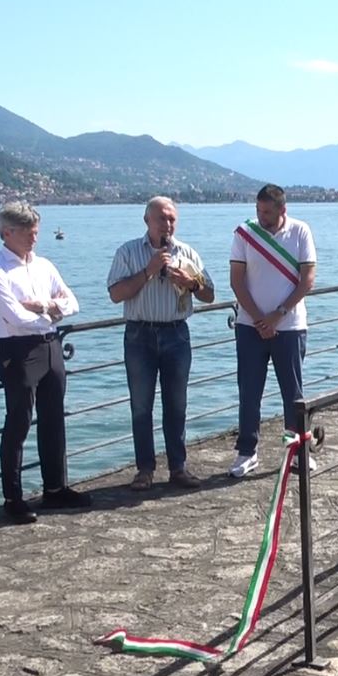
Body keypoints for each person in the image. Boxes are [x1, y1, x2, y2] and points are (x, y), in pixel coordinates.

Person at [0, 201, 91, 524]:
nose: (34, 238)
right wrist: (50, 309)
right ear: (7, 232)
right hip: (18, 350)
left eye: (36, 231)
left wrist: (41, 305)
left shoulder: (44, 265)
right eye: (28, 232)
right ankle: (12, 497)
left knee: (54, 417)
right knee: (18, 421)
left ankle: (55, 488)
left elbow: (72, 303)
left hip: (51, 346)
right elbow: (14, 316)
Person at [108, 196, 215, 491]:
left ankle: (178, 468)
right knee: (141, 406)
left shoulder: (188, 252)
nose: (167, 224)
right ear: (147, 221)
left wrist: (192, 283)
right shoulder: (128, 252)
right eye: (161, 219)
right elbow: (116, 294)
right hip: (139, 335)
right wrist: (149, 270)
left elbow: (210, 294)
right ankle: (144, 470)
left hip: (176, 334)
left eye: (171, 219)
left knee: (176, 405)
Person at [228, 184, 317, 478]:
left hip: (289, 326)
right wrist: (258, 319)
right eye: (258, 210)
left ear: (282, 210)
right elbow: (237, 281)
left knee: (293, 393)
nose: (260, 216)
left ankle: (297, 451)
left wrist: (277, 316)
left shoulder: (301, 231)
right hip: (249, 326)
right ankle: (247, 452)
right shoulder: (244, 233)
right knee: (249, 391)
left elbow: (307, 280)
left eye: (266, 212)